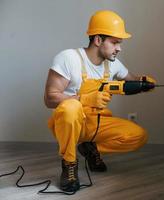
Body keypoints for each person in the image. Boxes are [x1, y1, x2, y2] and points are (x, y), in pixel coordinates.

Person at [44, 10, 156, 192]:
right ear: (98, 40)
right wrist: (84, 98)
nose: (119, 48)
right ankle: (69, 164)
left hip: (97, 123)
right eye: (115, 42)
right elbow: (50, 98)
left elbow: (131, 79)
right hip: (70, 124)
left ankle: (90, 148)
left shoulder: (112, 63)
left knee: (138, 136)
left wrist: (143, 82)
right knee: (71, 107)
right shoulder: (69, 58)